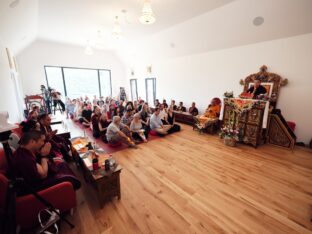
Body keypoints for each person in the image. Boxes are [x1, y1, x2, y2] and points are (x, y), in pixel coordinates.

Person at [12, 131, 81, 194]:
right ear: (32, 142)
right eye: (41, 141)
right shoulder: (24, 158)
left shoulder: (24, 151)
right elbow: (43, 174)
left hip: (36, 182)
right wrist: (44, 156)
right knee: (68, 178)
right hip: (34, 188)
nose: (43, 143)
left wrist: (49, 158)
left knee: (62, 165)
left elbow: (36, 163)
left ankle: (69, 193)